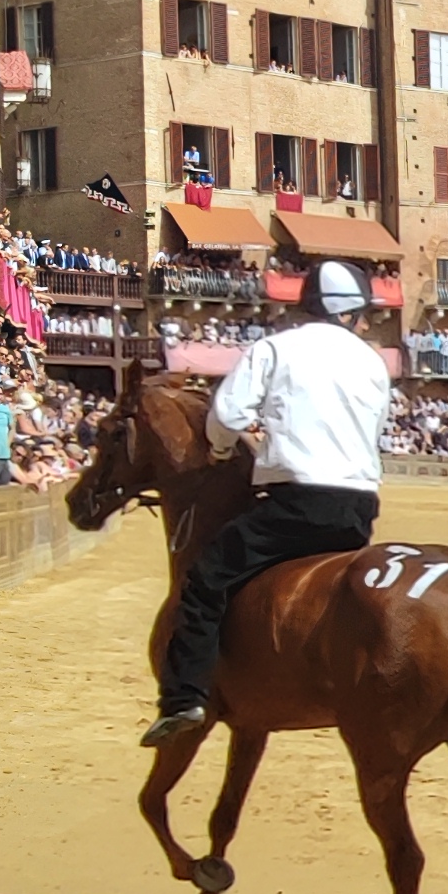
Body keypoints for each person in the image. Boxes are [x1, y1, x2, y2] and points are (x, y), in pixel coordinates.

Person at [144, 261, 394, 746]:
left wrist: (218, 448)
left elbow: (227, 414)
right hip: (359, 511)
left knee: (205, 579)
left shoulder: (275, 349)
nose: (365, 323)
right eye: (363, 314)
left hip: (294, 503)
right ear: (350, 314)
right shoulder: (372, 361)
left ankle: (184, 697)